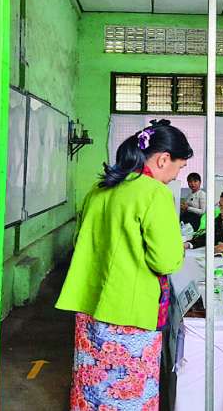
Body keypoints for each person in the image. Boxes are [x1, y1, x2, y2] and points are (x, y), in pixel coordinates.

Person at [56, 119, 192, 410]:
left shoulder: (100, 188)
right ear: (163, 159)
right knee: (126, 393)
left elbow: (84, 240)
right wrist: (177, 249)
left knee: (93, 389)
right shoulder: (154, 193)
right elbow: (165, 261)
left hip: (90, 305)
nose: (175, 176)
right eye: (179, 167)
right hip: (130, 313)